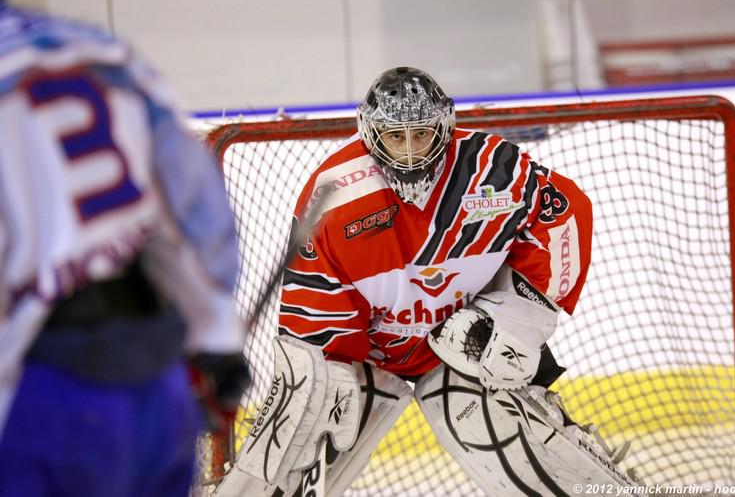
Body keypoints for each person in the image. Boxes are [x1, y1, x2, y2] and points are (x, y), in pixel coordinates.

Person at [213, 67, 638, 496]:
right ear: (371, 133)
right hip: (370, 356)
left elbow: (562, 215)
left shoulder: (493, 171)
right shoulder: (337, 199)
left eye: (422, 134)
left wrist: (519, 317)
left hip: (460, 344)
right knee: (294, 434)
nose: (411, 153)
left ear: (444, 127)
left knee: (509, 443)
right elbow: (315, 305)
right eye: (396, 137)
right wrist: (322, 379)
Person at [0, 0, 249, 496]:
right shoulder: (101, 52)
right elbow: (195, 213)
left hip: (34, 402)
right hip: (153, 390)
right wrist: (216, 341)